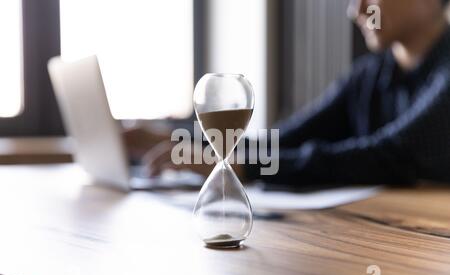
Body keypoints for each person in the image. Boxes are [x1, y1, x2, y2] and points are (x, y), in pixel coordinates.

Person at [125, 0, 450, 187]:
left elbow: (391, 156)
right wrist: (178, 139)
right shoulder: (370, 75)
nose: (356, 9)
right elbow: (285, 139)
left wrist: (242, 167)